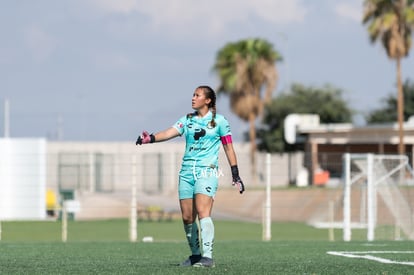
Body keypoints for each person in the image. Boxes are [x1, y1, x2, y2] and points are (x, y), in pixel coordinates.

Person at [136, 85, 245, 268]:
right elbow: (169, 133)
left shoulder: (220, 121)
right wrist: (151, 138)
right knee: (187, 217)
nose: (193, 98)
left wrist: (235, 173)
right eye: (193, 95)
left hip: (207, 171)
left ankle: (208, 257)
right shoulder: (187, 120)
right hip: (186, 172)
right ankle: (195, 255)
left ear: (208, 100)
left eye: (197, 95)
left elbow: (228, 147)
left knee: (203, 212)